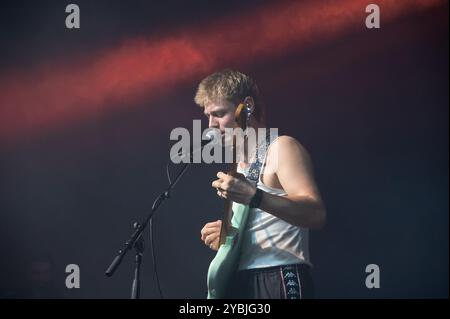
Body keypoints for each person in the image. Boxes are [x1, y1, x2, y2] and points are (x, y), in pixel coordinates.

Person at [195, 69, 326, 299]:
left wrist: (255, 197)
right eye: (208, 116)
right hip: (242, 283)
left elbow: (315, 213)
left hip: (279, 275)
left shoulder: (281, 148)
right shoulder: (238, 166)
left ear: (247, 106)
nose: (211, 125)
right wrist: (229, 238)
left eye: (219, 113)